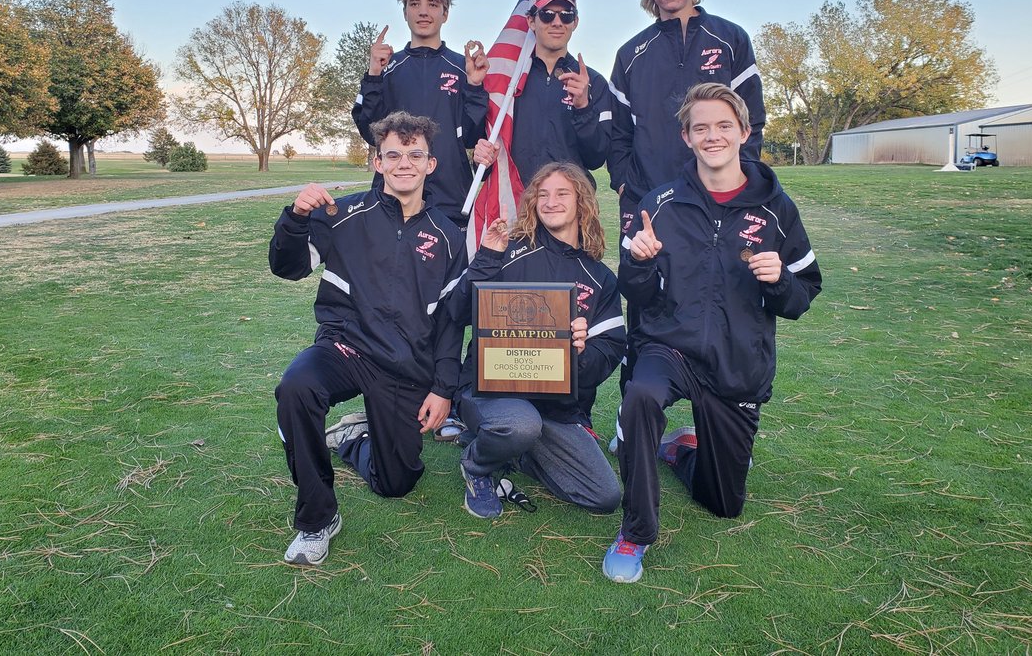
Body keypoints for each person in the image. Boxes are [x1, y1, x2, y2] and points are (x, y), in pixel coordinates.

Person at [602, 83, 822, 583]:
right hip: (669, 346)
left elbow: (804, 294)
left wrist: (780, 280)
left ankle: (682, 450)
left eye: (724, 125)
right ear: (686, 136)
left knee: (722, 504)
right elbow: (637, 293)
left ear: (744, 132)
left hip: (736, 361)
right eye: (701, 127)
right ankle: (635, 532)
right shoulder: (660, 203)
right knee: (640, 395)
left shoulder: (776, 209)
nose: (713, 135)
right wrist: (639, 263)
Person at [270, 112, 469, 566]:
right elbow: (288, 266)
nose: (404, 163)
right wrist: (297, 217)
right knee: (297, 387)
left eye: (414, 154)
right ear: (377, 162)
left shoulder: (449, 236)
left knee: (396, 483)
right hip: (345, 347)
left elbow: (450, 323)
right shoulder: (342, 217)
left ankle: (351, 440)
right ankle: (317, 519)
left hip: (406, 364)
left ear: (430, 164)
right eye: (393, 154)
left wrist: (442, 389)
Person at [605, 0, 769, 447]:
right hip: (653, 208)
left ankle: (710, 421)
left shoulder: (730, 39)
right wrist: (633, 189)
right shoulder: (631, 53)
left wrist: (735, 189)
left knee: (718, 304)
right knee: (646, 308)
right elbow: (618, 136)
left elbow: (752, 122)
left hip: (719, 210)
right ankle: (633, 421)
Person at [452, 162, 625, 519]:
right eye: (542, 194)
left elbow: (608, 352)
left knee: (604, 496)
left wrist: (579, 352)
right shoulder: (510, 249)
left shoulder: (600, 277)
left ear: (582, 201)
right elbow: (456, 312)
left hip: (555, 409)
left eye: (562, 193)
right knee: (520, 423)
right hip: (491, 392)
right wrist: (486, 258)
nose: (551, 202)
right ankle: (478, 464)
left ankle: (518, 450)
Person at [352, 0, 489, 227]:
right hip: (394, 199)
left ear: (445, 14)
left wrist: (475, 87)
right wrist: (372, 76)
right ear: (404, 12)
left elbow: (473, 135)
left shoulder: (463, 68)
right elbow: (369, 131)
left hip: (451, 201)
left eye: (433, 4)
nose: (423, 12)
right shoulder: (387, 67)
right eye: (415, 4)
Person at [472, 0, 612, 187]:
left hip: (572, 206)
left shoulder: (593, 82)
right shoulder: (509, 81)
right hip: (518, 202)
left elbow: (596, 158)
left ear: (575, 22)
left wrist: (583, 108)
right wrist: (480, 156)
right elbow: (482, 150)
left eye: (566, 16)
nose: (557, 22)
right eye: (547, 15)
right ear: (530, 21)